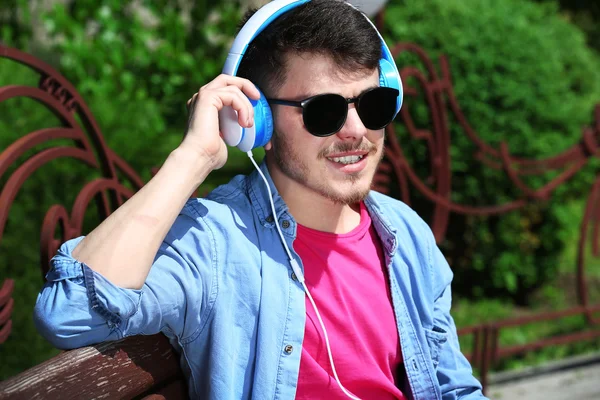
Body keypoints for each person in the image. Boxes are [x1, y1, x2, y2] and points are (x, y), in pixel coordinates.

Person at [34, 0, 487, 399]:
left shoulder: (405, 235)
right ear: (256, 122)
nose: (356, 131)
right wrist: (193, 156)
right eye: (324, 110)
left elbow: (453, 387)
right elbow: (71, 313)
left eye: (373, 105)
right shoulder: (216, 246)